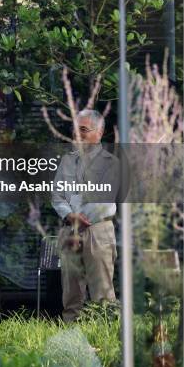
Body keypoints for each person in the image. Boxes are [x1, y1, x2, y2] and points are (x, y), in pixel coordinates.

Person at [52, 109, 119, 322]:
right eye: (75, 130)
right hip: (69, 230)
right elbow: (56, 195)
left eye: (83, 130)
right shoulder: (66, 161)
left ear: (99, 133)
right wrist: (70, 216)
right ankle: (72, 343)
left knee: (103, 295)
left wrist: (76, 214)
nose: (77, 135)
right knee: (71, 296)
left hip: (97, 230)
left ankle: (105, 342)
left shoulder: (111, 163)